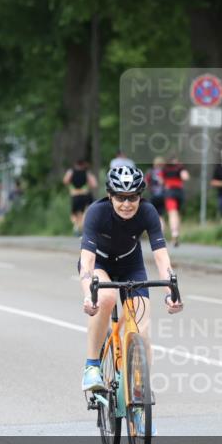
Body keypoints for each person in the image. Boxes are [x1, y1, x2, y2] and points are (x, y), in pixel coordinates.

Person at [78, 165, 183, 396]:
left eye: (133, 197)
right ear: (110, 196)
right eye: (120, 197)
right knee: (106, 297)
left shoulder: (148, 212)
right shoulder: (96, 212)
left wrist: (171, 293)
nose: (127, 204)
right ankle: (92, 366)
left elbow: (161, 257)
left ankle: (139, 391)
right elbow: (87, 261)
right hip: (100, 263)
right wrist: (89, 295)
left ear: (140, 196)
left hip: (130, 265)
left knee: (142, 331)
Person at [63, 158, 97, 236]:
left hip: (75, 195)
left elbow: (65, 181)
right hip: (85, 194)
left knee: (75, 213)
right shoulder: (87, 172)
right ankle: (80, 228)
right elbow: (94, 184)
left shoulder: (71, 172)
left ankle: (76, 228)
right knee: (83, 212)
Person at [161, 153, 189, 246]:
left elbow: (161, 180)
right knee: (178, 213)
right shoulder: (180, 167)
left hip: (170, 192)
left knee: (172, 213)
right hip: (179, 192)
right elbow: (185, 177)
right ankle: (176, 234)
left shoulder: (165, 168)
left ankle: (174, 233)